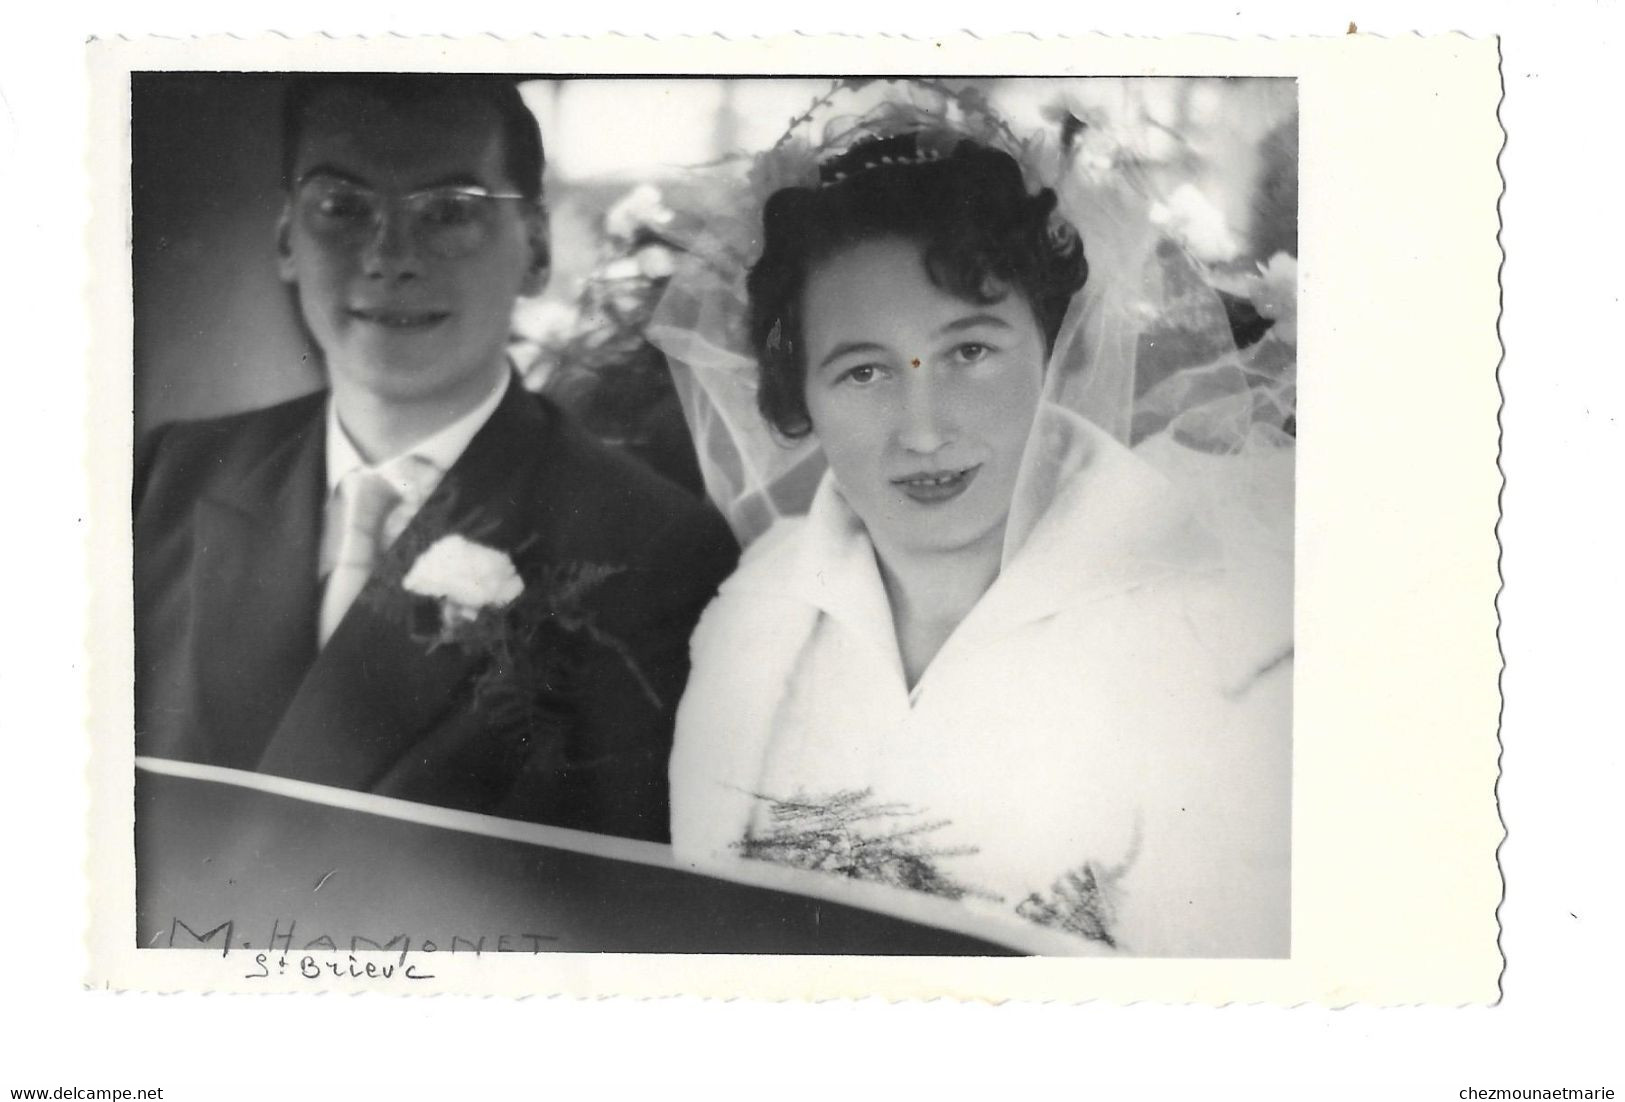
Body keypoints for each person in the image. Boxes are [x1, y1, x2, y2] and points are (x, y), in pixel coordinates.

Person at [656, 98, 1293, 955]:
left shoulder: (1219, 639)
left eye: (969, 352)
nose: (923, 429)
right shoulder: (755, 609)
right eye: (862, 371)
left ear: (1053, 349)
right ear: (796, 393)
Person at [134, 74, 738, 842]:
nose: (389, 257)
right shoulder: (171, 478)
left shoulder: (655, 550)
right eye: (342, 207)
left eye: (449, 212)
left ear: (537, 252)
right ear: (287, 238)